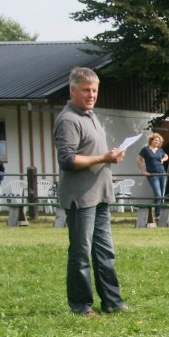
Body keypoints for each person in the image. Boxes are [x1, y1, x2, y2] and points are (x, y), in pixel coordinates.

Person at [53, 67, 129, 317]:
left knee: (105, 252)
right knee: (81, 254)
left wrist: (112, 156)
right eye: (86, 90)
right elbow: (67, 160)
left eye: (94, 90)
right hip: (81, 197)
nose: (91, 95)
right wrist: (103, 158)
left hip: (100, 195)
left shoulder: (91, 116)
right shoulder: (68, 120)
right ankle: (81, 306)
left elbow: (93, 153)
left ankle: (112, 302)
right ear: (72, 90)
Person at [136, 133, 169, 218]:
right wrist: (143, 171)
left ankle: (160, 214)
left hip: (162, 174)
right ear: (151, 140)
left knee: (162, 195)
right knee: (158, 194)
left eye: (159, 141)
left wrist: (163, 159)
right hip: (153, 175)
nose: (157, 142)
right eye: (156, 140)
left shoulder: (160, 150)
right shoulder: (145, 149)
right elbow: (139, 160)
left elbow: (166, 156)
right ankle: (157, 214)